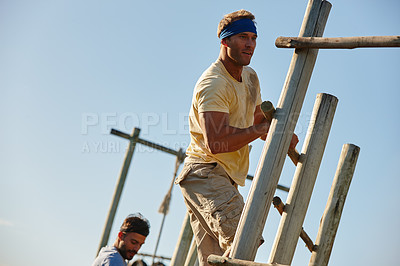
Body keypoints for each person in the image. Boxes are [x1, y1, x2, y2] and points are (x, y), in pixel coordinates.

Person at [175, 10, 298, 265]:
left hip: (222, 178)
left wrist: (280, 134)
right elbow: (217, 142)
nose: (250, 44)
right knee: (244, 239)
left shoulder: (250, 77)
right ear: (225, 41)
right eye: (243, 37)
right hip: (205, 172)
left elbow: (253, 122)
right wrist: (262, 131)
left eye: (253, 38)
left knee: (216, 261)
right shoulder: (213, 84)